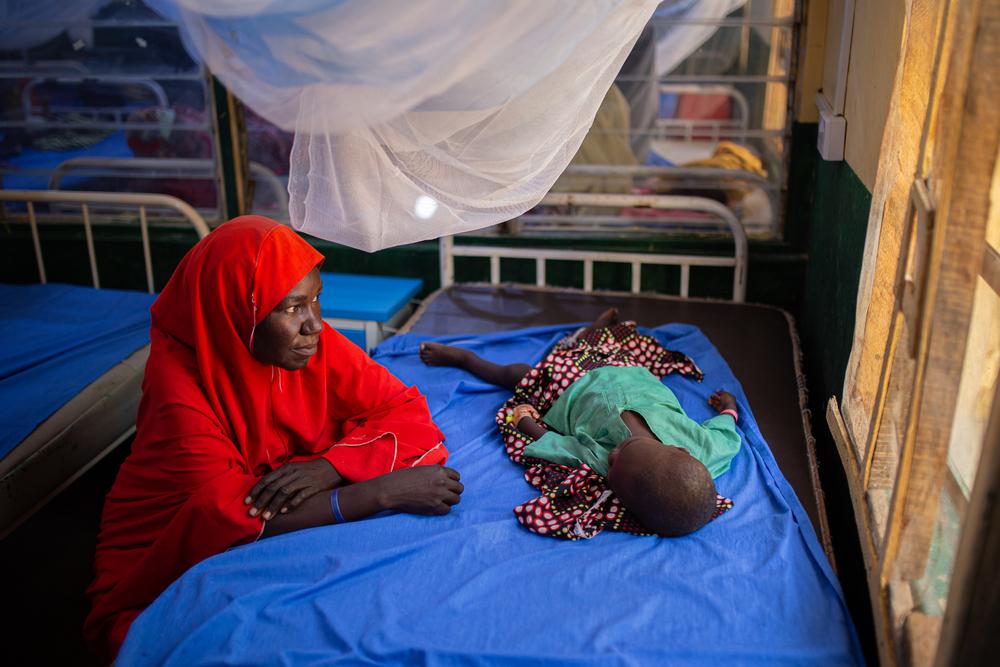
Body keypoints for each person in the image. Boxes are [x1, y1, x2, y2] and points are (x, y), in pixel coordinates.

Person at [86, 216, 463, 662]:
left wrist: (330, 467)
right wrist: (377, 493)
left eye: (316, 299)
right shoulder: (178, 390)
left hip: (264, 507)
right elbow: (220, 511)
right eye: (290, 308)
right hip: (163, 551)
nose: (315, 326)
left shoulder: (311, 346)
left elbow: (403, 408)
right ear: (235, 313)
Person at [420, 308, 739, 538]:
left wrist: (528, 422)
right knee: (600, 342)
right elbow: (727, 434)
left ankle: (465, 359)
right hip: (623, 369)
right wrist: (730, 408)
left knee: (518, 375)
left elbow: (561, 446)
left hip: (569, 389)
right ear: (682, 449)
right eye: (621, 452)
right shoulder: (704, 448)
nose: (610, 458)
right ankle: (591, 331)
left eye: (610, 470)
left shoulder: (612, 467)